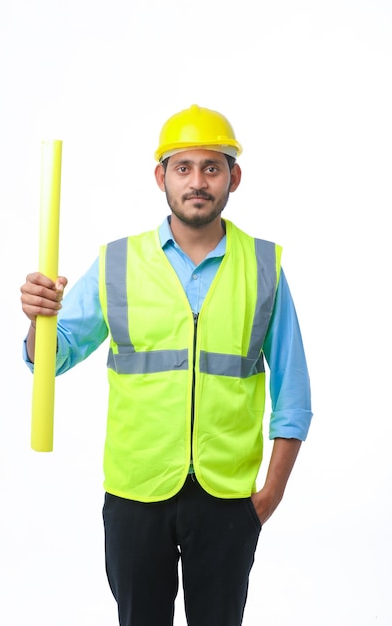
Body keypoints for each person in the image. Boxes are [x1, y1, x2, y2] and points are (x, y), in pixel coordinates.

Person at [20, 104, 313, 626]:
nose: (197, 181)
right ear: (161, 177)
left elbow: (294, 398)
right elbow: (53, 355)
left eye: (211, 167)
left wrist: (266, 500)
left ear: (233, 177)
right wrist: (38, 318)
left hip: (227, 500)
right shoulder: (117, 262)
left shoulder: (264, 267)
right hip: (136, 494)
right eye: (183, 168)